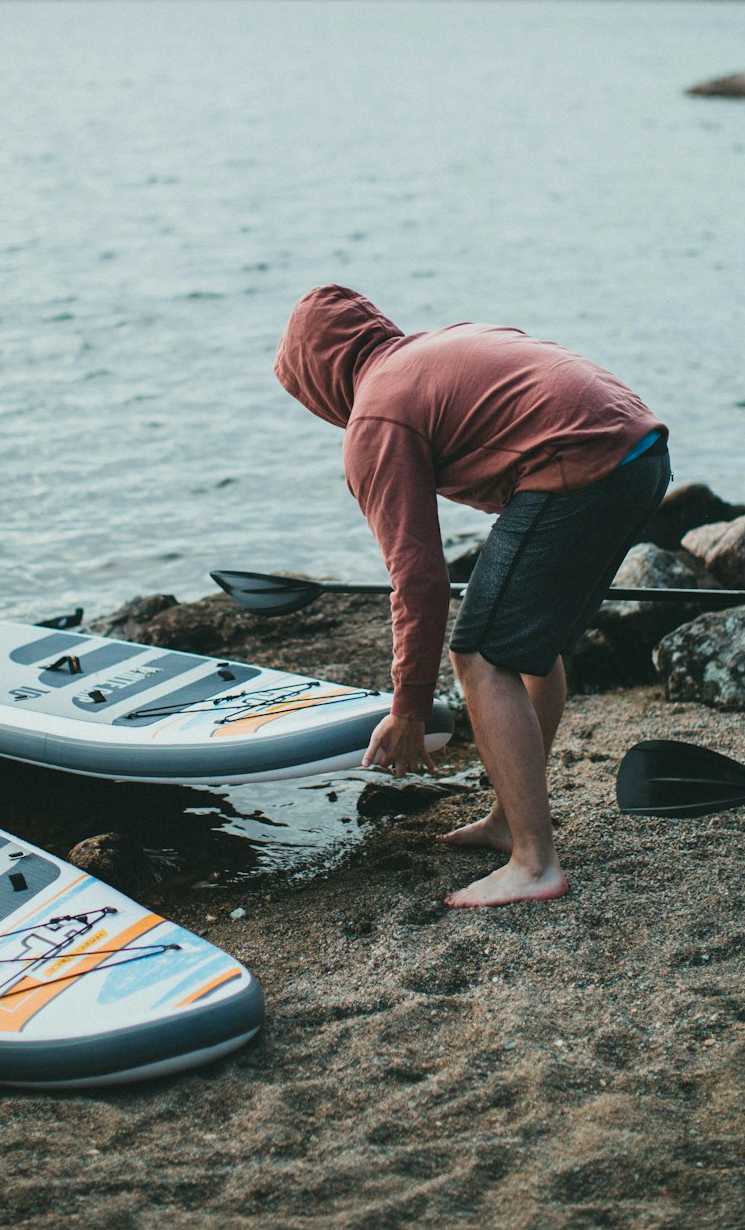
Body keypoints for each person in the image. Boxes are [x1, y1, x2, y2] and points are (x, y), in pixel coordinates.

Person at [274, 285, 671, 909]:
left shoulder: (376, 416)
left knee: (482, 656)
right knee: (527, 650)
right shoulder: (434, 348)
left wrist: (408, 708)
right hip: (640, 453)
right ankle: (512, 820)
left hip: (580, 464)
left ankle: (535, 863)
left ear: (317, 380)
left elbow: (419, 577)